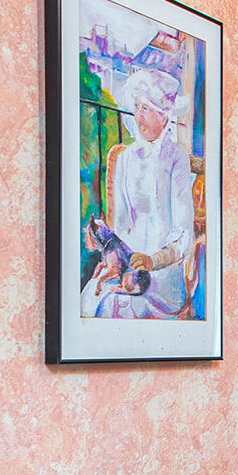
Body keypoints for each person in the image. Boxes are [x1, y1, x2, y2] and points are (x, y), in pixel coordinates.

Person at [83, 57, 197, 320]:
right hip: (126, 266)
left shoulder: (176, 157)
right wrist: (110, 256)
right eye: (136, 107)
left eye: (145, 108)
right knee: (92, 298)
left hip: (163, 273)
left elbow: (183, 230)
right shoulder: (125, 158)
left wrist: (153, 260)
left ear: (163, 115)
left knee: (117, 308)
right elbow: (120, 224)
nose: (138, 116)